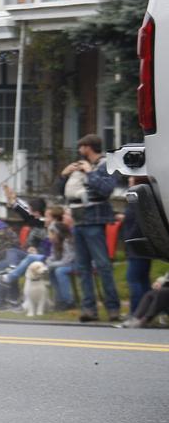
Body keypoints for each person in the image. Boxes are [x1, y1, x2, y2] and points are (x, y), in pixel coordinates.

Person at [55, 134, 121, 322]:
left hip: (94, 220)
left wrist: (90, 172)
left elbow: (106, 189)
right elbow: (62, 192)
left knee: (102, 266)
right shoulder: (79, 166)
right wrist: (63, 175)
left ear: (88, 147)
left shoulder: (105, 165)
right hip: (78, 221)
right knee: (83, 267)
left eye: (81, 147)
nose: (79, 151)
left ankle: (113, 309)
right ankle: (89, 309)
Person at [121, 176, 152, 315]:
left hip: (136, 244)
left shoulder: (136, 199)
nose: (129, 181)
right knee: (143, 279)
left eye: (131, 179)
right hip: (144, 244)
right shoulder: (145, 199)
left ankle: (136, 312)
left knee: (133, 279)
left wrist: (129, 238)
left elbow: (138, 222)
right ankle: (147, 311)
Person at [45, 222, 76, 311]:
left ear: (57, 233)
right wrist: (49, 261)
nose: (49, 236)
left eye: (50, 233)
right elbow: (53, 256)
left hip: (76, 263)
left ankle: (69, 301)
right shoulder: (55, 242)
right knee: (52, 270)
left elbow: (67, 260)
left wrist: (51, 265)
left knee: (60, 271)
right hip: (65, 264)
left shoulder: (67, 241)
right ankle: (59, 300)